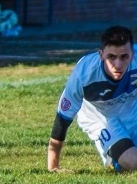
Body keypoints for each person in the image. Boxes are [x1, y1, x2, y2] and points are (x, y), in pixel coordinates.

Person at [47, 26, 137, 172]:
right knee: (133, 163)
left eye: (124, 57)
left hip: (132, 111)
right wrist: (53, 167)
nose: (118, 64)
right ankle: (115, 159)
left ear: (132, 54)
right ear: (101, 55)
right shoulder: (83, 74)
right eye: (111, 57)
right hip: (101, 119)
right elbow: (62, 121)